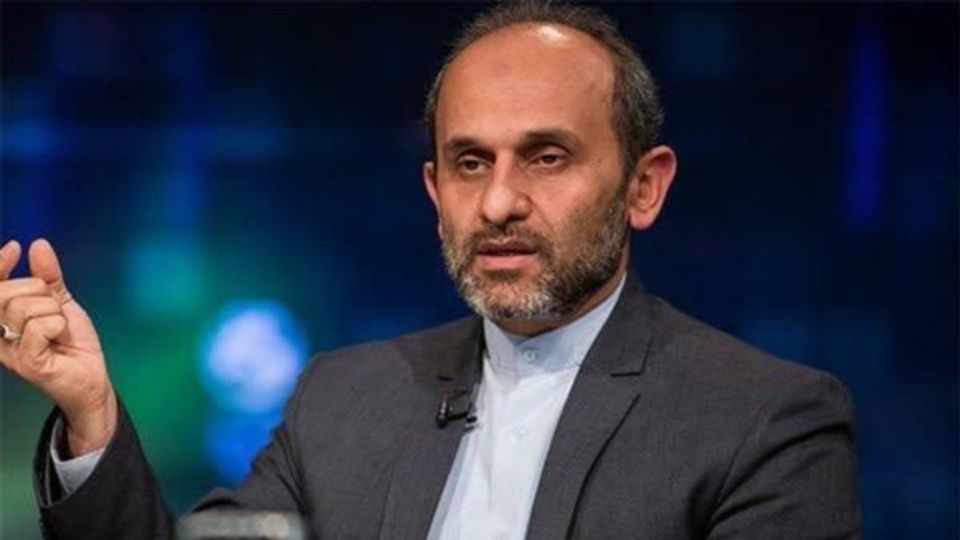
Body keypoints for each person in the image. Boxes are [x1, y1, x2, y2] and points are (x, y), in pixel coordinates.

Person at [0, 3, 861, 539]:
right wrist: (92, 416)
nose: (499, 203)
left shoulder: (765, 421)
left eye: (547, 158)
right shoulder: (344, 397)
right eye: (470, 163)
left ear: (644, 186)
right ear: (434, 189)